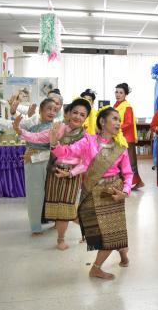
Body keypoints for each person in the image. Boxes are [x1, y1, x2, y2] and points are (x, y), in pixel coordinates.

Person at [51, 106, 133, 279]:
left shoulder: (120, 147)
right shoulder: (88, 141)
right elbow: (67, 151)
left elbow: (128, 174)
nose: (118, 123)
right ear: (102, 121)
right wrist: (54, 144)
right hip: (92, 190)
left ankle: (105, 263)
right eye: (114, 119)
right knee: (106, 232)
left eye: (119, 120)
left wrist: (125, 192)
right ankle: (112, 260)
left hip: (113, 193)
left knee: (113, 232)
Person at [13, 98, 91, 249]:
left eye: (82, 115)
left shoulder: (86, 138)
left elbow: (85, 162)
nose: (77, 117)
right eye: (75, 112)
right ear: (69, 114)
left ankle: (64, 238)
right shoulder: (59, 128)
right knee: (57, 207)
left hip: (71, 175)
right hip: (55, 172)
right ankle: (74, 234)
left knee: (67, 208)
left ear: (86, 118)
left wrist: (71, 173)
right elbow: (38, 137)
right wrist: (20, 131)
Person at [0, 98, 59, 233]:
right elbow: (12, 125)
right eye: (49, 109)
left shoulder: (56, 126)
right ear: (41, 110)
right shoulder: (32, 121)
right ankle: (35, 226)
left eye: (55, 110)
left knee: (52, 192)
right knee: (35, 193)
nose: (52, 112)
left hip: (48, 161)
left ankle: (56, 221)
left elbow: (54, 149)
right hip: (32, 161)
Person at [114, 82, 144, 190]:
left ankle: (134, 182)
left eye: (121, 93)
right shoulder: (116, 105)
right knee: (121, 161)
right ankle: (128, 182)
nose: (118, 94)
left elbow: (129, 123)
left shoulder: (127, 107)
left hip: (126, 138)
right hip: (119, 137)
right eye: (116, 92)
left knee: (129, 161)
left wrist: (116, 127)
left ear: (125, 94)